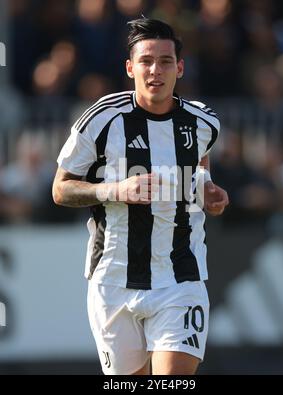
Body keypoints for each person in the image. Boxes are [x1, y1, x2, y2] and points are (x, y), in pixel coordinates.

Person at [52, 18, 229, 375]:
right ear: (130, 67)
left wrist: (207, 184)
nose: (155, 70)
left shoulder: (203, 122)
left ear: (179, 67)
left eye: (165, 61)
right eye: (146, 61)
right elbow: (61, 189)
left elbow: (200, 156)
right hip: (114, 281)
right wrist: (115, 191)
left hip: (181, 278)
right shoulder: (101, 120)